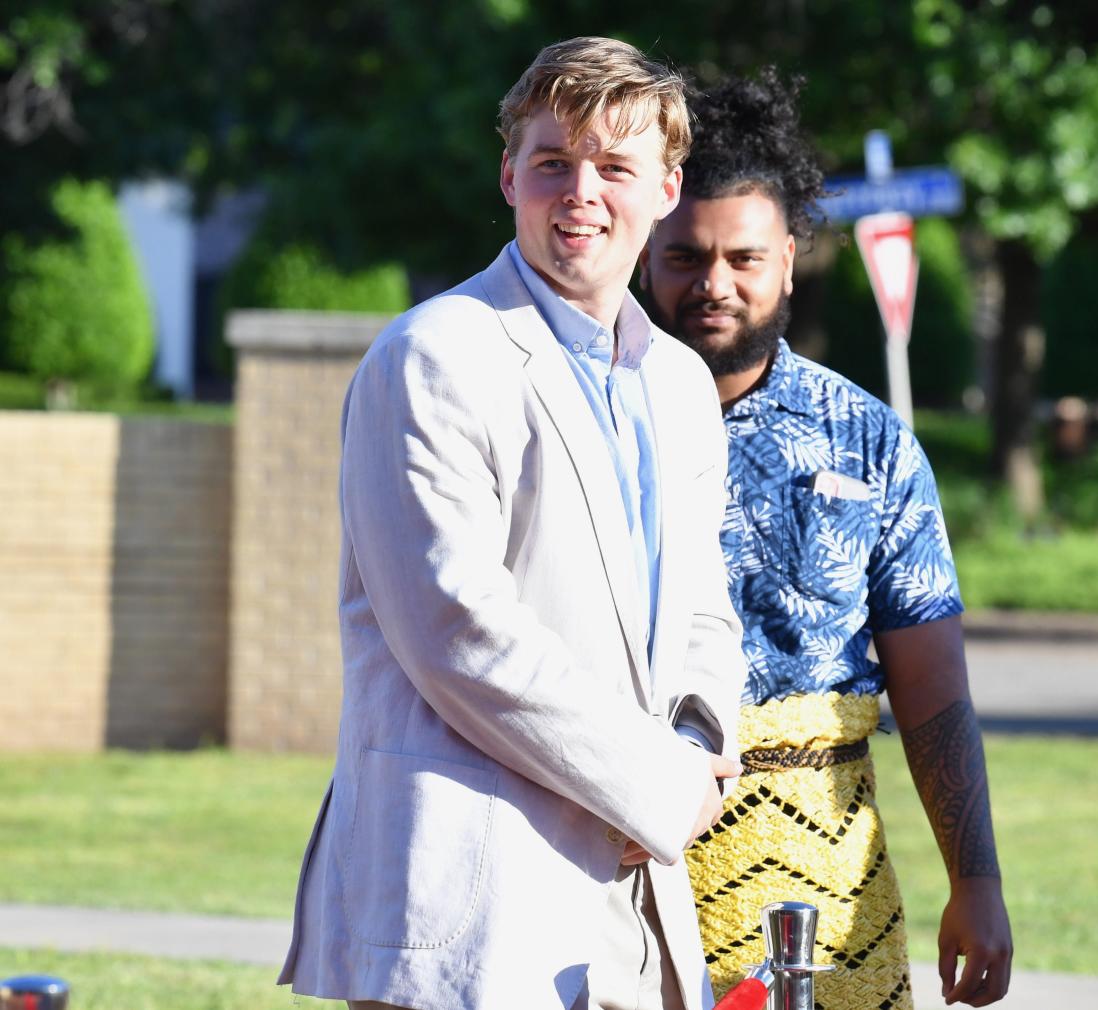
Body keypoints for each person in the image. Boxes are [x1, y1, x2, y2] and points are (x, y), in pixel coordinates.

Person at [277, 37, 748, 1010]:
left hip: (640, 895)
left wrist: (700, 747)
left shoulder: (680, 382)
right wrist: (652, 785)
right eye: (552, 162)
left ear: (666, 187)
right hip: (475, 892)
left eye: (614, 166)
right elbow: (457, 629)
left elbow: (704, 604)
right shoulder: (433, 356)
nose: (581, 190)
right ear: (508, 175)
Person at [640, 69, 1013, 1010]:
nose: (714, 284)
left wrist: (978, 884)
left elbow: (932, 690)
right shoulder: (588, 419)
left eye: (744, 259)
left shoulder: (869, 440)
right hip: (626, 862)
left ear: (792, 259)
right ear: (645, 254)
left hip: (826, 883)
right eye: (685, 257)